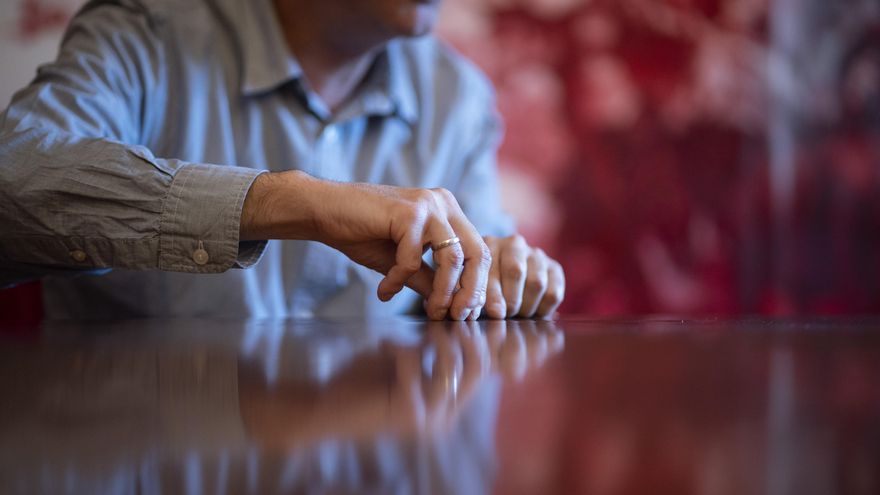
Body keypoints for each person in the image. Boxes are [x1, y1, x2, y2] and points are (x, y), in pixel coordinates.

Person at [0, 0, 565, 320]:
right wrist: (296, 201)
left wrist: (504, 277)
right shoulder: (143, 33)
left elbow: (479, 275)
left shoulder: (459, 96)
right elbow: (13, 181)